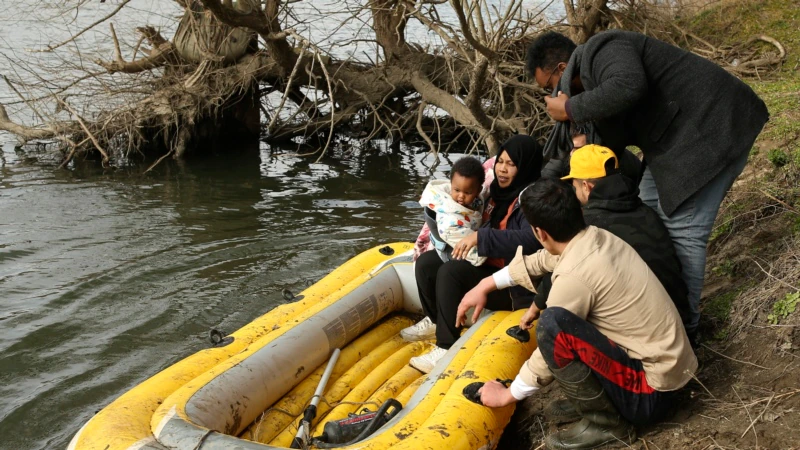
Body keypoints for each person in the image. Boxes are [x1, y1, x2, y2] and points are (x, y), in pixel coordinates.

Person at [527, 30, 769, 339]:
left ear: (563, 69)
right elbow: (605, 148)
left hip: (711, 125)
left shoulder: (603, 50)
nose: (550, 99)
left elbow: (628, 84)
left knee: (684, 231)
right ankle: (659, 313)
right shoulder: (596, 93)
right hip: (674, 142)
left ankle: (685, 329)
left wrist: (571, 109)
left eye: (550, 87)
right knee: (641, 209)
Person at [458, 178, 697, 449]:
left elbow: (546, 353)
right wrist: (486, 283)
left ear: (539, 232)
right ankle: (603, 401)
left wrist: (507, 395)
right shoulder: (594, 236)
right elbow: (545, 259)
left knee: (552, 325)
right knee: (560, 321)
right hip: (674, 371)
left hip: (653, 392)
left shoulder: (574, 276)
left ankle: (607, 424)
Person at [403, 135, 543, 373]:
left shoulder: (532, 199)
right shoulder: (494, 192)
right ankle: (436, 319)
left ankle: (446, 346)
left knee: (451, 271)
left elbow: (531, 239)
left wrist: (481, 238)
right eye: (501, 161)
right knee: (427, 263)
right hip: (487, 261)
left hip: (512, 282)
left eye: (511, 164)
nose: (502, 169)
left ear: (526, 166)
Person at [559, 143, 690, 327]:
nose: (575, 193)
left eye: (575, 187)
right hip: (680, 320)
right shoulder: (644, 209)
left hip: (647, 331)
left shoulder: (590, 228)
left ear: (587, 186)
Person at [417, 156, 487, 266]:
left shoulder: (477, 200)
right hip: (451, 254)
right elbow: (478, 256)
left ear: (479, 190)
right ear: (451, 185)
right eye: (457, 190)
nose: (461, 196)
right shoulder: (449, 223)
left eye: (467, 193)